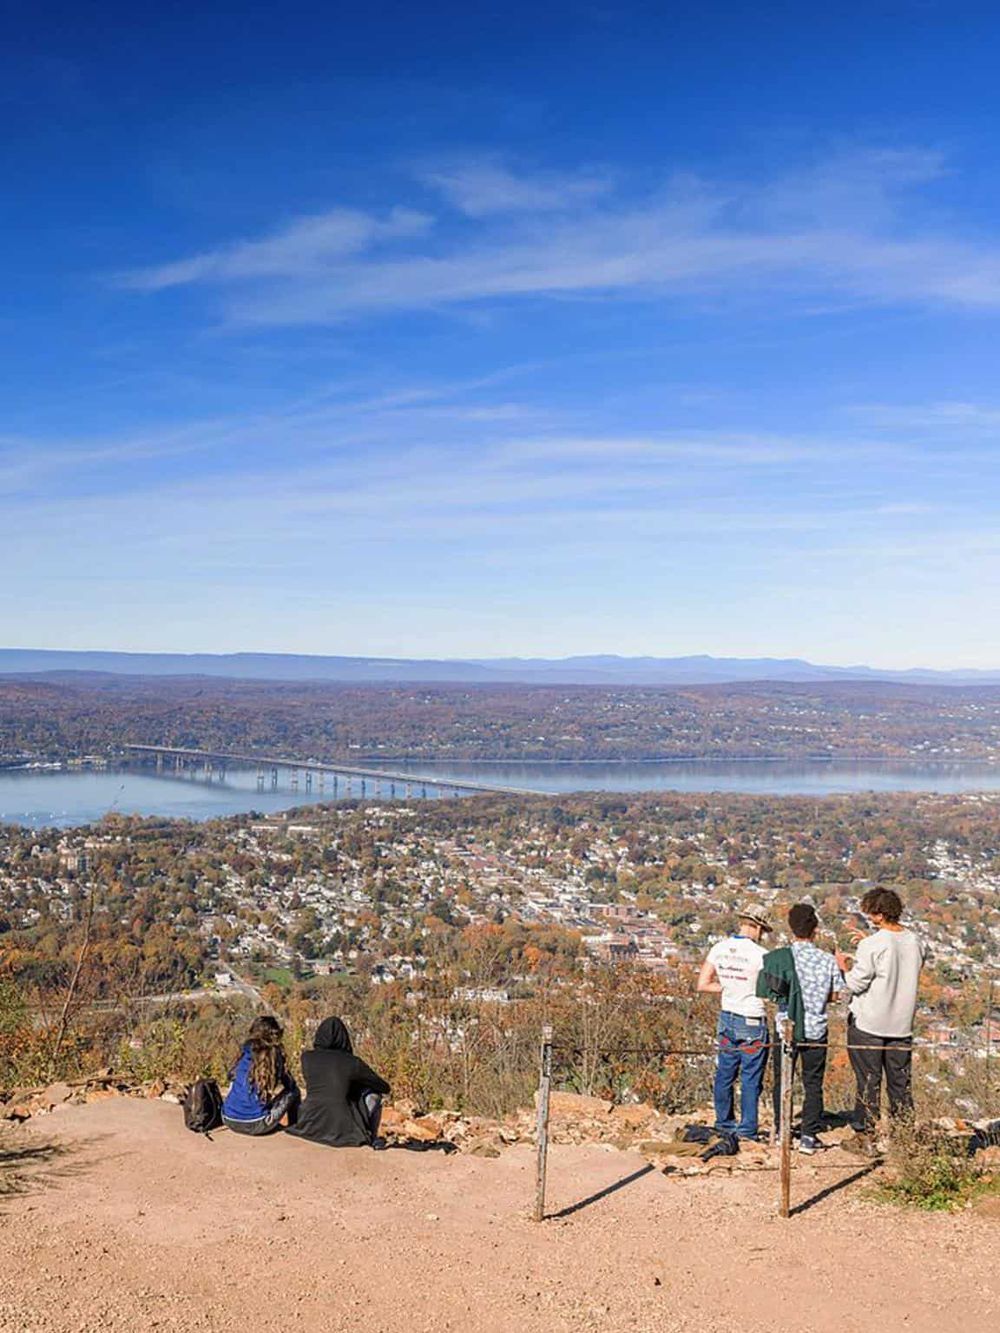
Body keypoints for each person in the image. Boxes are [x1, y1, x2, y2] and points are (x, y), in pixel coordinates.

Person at [835, 887, 926, 1155]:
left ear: (878, 914)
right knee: (900, 1083)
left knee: (868, 1081)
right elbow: (906, 960)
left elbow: (855, 982)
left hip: (869, 1023)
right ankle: (903, 1137)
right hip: (901, 1024)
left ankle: (867, 1137)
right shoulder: (916, 941)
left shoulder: (872, 945)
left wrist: (843, 965)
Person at [757, 903, 842, 1154]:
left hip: (786, 1028)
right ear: (815, 929)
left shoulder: (779, 958)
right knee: (813, 1082)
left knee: (783, 1080)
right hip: (816, 1028)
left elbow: (769, 993)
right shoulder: (827, 961)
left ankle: (782, 1130)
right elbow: (835, 996)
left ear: (791, 929)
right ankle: (809, 1134)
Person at [697, 906, 772, 1142]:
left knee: (725, 1073)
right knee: (750, 1078)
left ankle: (724, 1124)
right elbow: (769, 993)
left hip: (727, 1016)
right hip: (751, 1019)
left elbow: (703, 984)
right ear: (758, 927)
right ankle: (747, 1129)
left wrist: (727, 988)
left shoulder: (719, 948)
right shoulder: (762, 955)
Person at [286, 1016, 391, 1149]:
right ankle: (371, 1137)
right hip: (344, 1128)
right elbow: (384, 1087)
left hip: (309, 1123)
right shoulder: (351, 1062)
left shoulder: (307, 1058)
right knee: (374, 1095)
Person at [221, 1015, 299, 1136]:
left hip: (228, 1118)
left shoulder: (245, 1051)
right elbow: (290, 1084)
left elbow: (231, 1076)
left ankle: (240, 1109)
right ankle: (295, 1126)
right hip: (257, 1123)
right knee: (294, 1091)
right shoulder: (274, 1055)